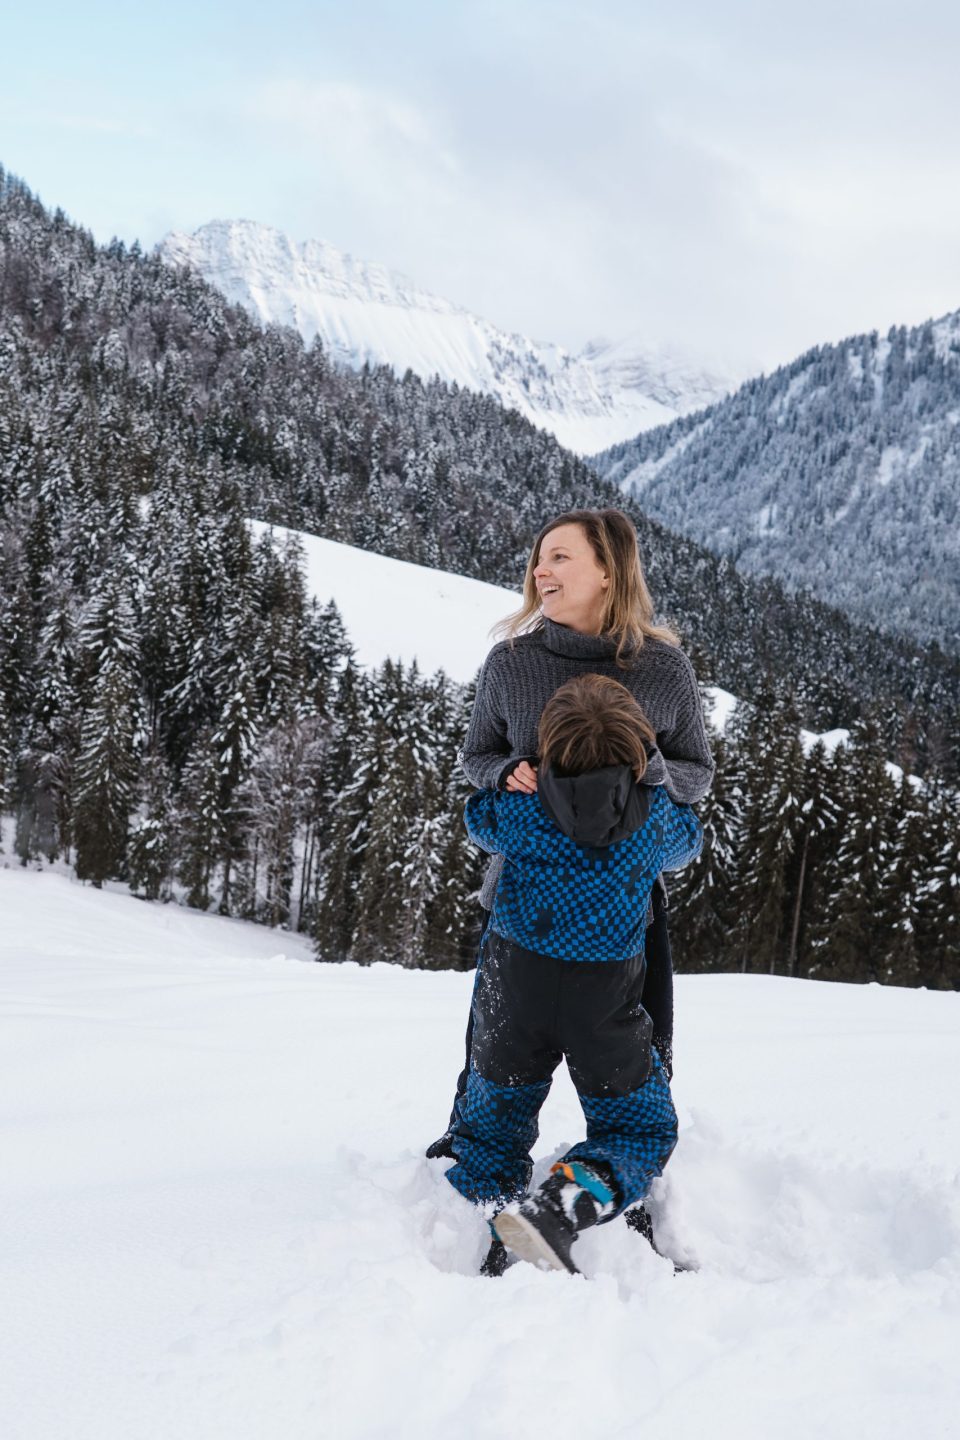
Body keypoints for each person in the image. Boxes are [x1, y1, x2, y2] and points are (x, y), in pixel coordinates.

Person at [427, 509, 714, 1185]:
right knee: (499, 1056)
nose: (540, 571)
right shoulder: (513, 663)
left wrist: (648, 777)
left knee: (637, 1055)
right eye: (539, 559)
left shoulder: (663, 669)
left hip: (628, 907)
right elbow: (477, 757)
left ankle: (620, 1191)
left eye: (559, 557)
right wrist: (504, 773)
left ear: (608, 571)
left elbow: (696, 774)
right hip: (524, 901)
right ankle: (513, 1179)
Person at [445, 674, 703, 1274]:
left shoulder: (519, 807)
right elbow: (689, 843)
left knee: (491, 1122)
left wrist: (517, 774)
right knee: (639, 1131)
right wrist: (655, 781)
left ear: (547, 745)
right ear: (640, 748)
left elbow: (476, 818)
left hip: (515, 990)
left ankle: (485, 1213)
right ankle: (556, 1211)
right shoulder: (655, 817)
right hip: (603, 1006)